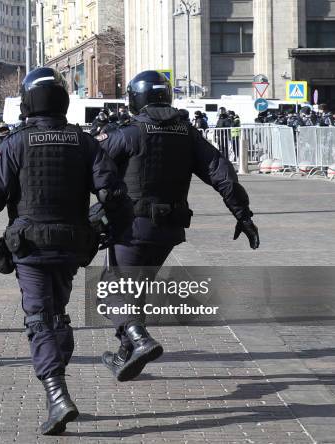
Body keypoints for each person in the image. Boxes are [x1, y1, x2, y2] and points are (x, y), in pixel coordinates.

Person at [0, 67, 127, 435]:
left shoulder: (16, 143)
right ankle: (58, 369)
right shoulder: (84, 142)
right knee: (58, 312)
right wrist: (108, 225)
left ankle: (57, 394)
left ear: (28, 100)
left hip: (31, 246)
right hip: (71, 244)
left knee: (38, 318)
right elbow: (111, 193)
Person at [97, 71, 259, 383]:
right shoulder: (187, 133)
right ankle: (124, 354)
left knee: (110, 291)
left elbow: (92, 165)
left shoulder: (129, 133)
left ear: (136, 98)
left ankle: (140, 340)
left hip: (131, 228)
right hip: (168, 230)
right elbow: (221, 171)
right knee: (135, 290)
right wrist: (243, 215)